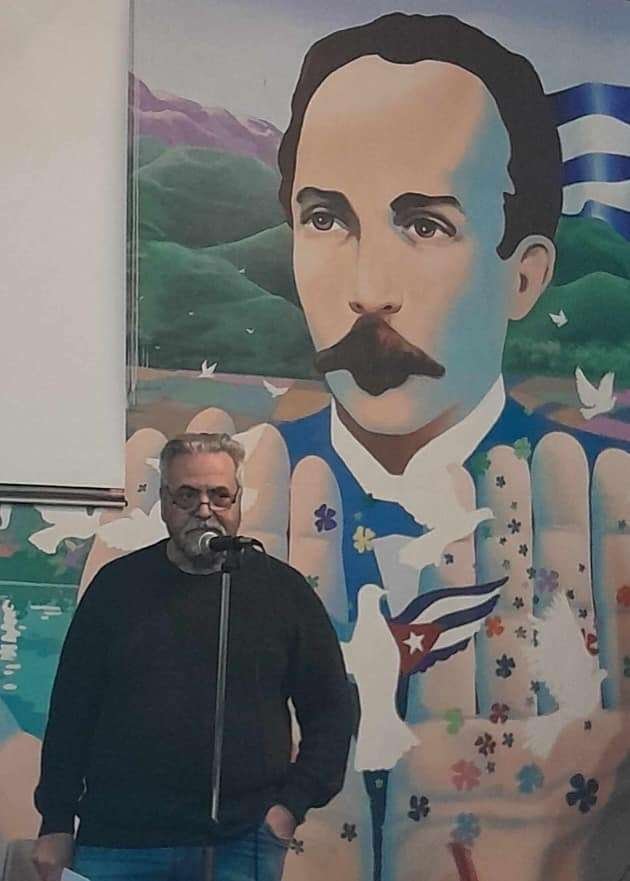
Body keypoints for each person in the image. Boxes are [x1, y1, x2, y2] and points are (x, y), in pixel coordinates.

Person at [31, 432, 353, 881]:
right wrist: (56, 821)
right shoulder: (116, 587)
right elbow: (71, 713)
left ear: (238, 501)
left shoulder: (282, 592)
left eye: (220, 495)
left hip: (240, 844)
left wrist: (288, 809)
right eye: (188, 495)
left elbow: (333, 709)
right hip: (118, 843)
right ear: (165, 502)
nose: (205, 510)